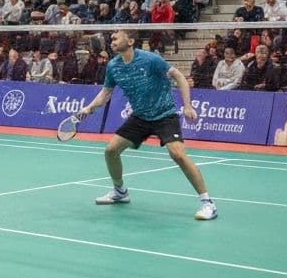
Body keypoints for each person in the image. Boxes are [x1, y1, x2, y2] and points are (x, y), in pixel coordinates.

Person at [76, 30, 217, 221]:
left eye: (116, 38)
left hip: (164, 114)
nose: (112, 41)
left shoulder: (151, 59)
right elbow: (106, 92)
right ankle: (120, 191)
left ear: (131, 41)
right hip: (141, 116)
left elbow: (179, 77)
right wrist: (89, 107)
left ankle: (208, 203)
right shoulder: (113, 66)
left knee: (178, 155)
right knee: (111, 151)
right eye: (111, 39)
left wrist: (187, 105)